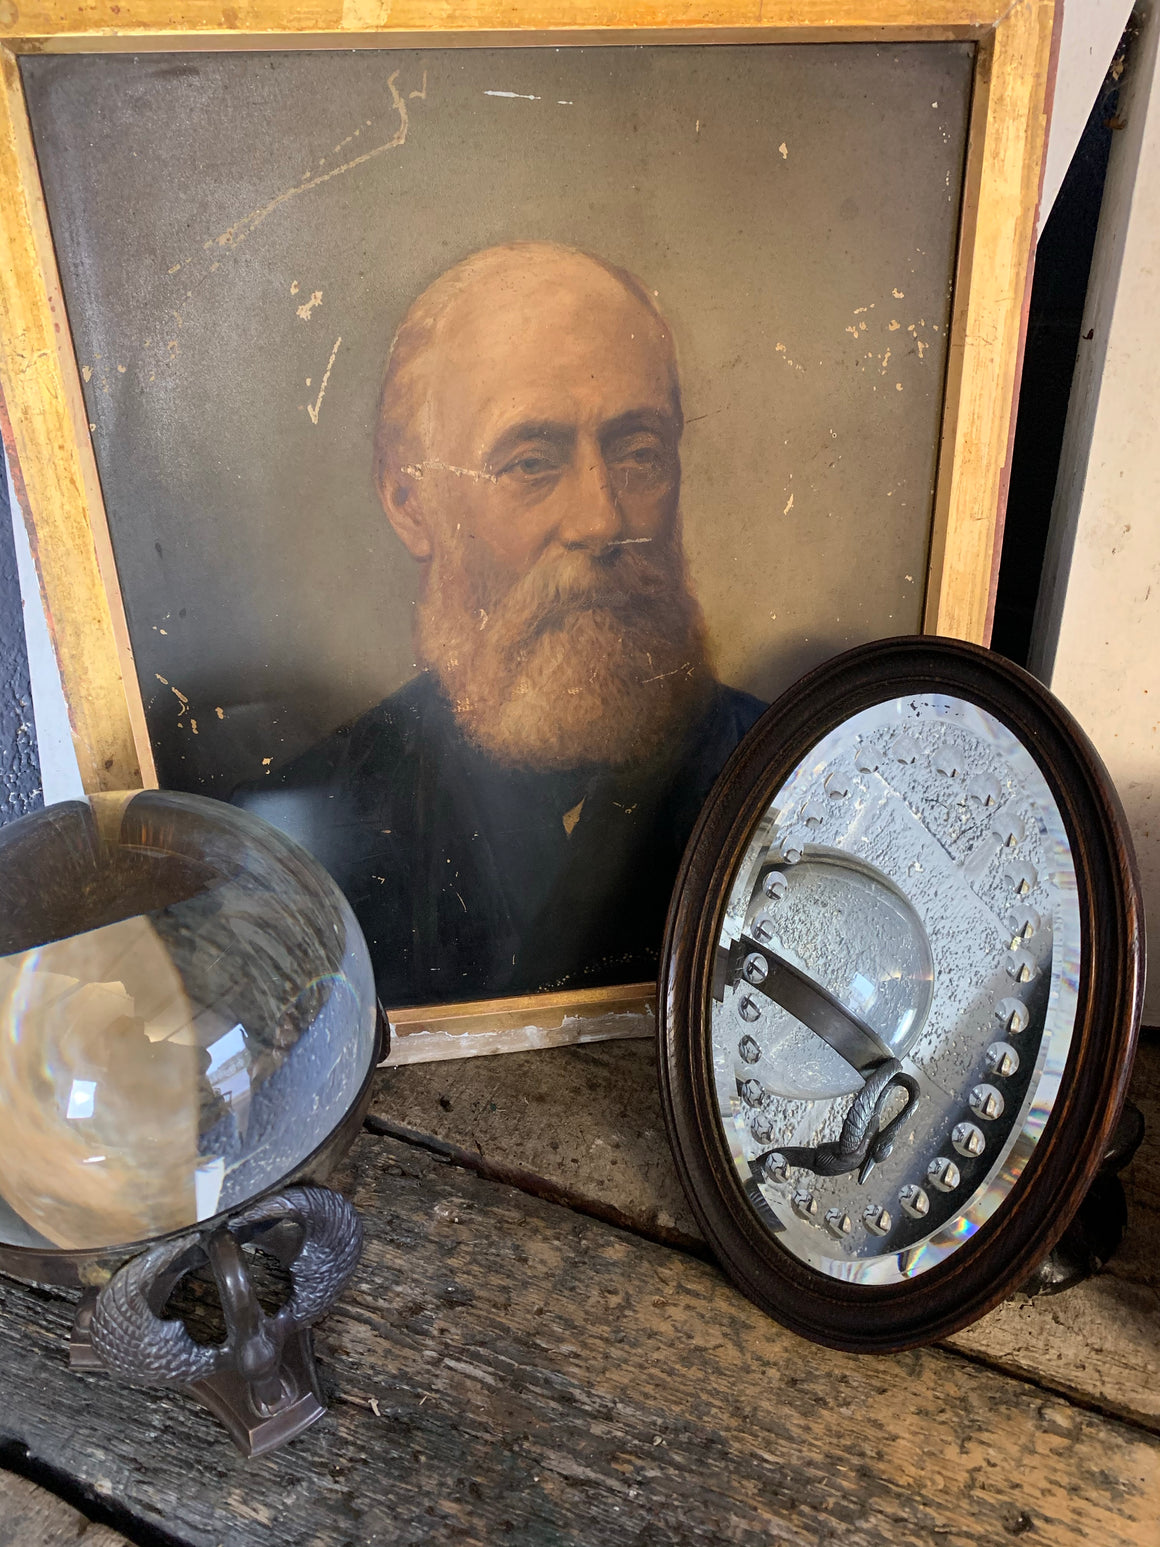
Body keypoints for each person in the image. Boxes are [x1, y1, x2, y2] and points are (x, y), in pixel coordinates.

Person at [234, 242, 765, 1007]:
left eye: (640, 453)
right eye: (530, 462)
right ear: (408, 501)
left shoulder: (801, 782)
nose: (601, 519)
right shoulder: (300, 837)